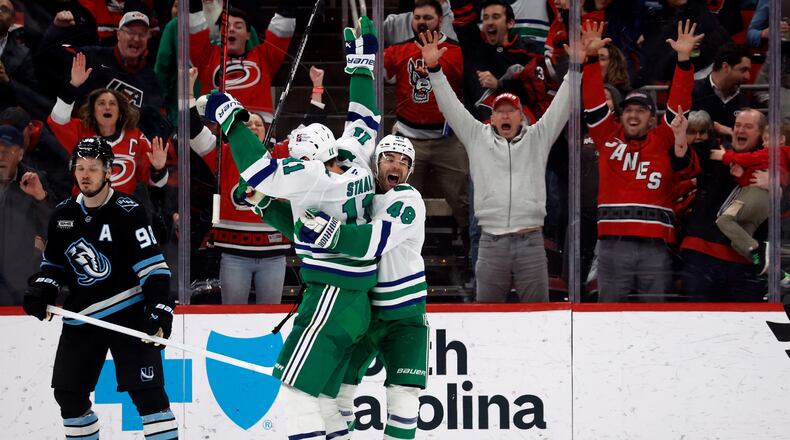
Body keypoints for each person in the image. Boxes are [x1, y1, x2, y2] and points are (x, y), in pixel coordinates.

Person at [202, 17, 381, 440]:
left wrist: (230, 118)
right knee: (328, 401)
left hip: (330, 295)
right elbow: (365, 117)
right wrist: (361, 69)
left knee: (297, 393)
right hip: (357, 299)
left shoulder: (311, 175)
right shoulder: (355, 152)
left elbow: (261, 171)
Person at [258, 135, 429, 439]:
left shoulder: (408, 199)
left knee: (403, 397)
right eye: (389, 158)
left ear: (410, 170)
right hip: (365, 308)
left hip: (404, 315)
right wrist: (265, 204)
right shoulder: (361, 194)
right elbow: (304, 229)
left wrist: (332, 233)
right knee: (333, 396)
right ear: (376, 163)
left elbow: (372, 241)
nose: (396, 166)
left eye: (404, 162)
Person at [21, 136, 178, 440]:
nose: (85, 174)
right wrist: (43, 289)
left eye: (93, 168)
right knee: (68, 397)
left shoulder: (129, 211)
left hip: (129, 314)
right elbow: (53, 267)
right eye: (80, 168)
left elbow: (154, 269)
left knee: (150, 399)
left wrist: (159, 308)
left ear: (109, 171)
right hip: (82, 317)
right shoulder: (63, 215)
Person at [418, 26, 582, 302]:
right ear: (491, 118)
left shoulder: (538, 137)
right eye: (500, 111)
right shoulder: (476, 136)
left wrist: (575, 68)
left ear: (521, 116)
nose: (505, 116)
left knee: (539, 317)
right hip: (490, 242)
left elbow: (562, 106)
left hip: (531, 242)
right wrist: (434, 70)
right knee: (487, 316)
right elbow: (450, 106)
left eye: (511, 111)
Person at [582, 20, 701, 302]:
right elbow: (593, 99)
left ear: (651, 118)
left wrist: (684, 61)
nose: (633, 115)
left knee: (654, 315)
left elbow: (679, 105)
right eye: (628, 110)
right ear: (620, 115)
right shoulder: (607, 136)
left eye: (641, 110)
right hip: (613, 243)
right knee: (609, 314)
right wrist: (590, 59)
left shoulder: (662, 139)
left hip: (655, 245)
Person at [385, 0, 469, 244]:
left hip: (448, 141)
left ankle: (470, 248)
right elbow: (373, 73)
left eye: (428, 17)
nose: (422, 22)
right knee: (402, 202)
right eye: (417, 17)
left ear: (440, 20)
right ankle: (405, 249)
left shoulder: (456, 52)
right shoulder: (398, 50)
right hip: (408, 141)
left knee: (463, 201)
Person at [674, 108, 768, 301]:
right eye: (738, 125)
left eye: (748, 126)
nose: (740, 130)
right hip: (701, 254)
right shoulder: (713, 151)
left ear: (761, 134)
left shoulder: (772, 162)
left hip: (747, 260)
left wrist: (777, 182)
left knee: (747, 319)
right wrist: (680, 137)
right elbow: (682, 161)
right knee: (698, 317)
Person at [48, 52, 169, 196]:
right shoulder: (82, 131)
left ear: (121, 112)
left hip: (121, 207)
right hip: (85, 206)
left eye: (112, 104)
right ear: (93, 111)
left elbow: (156, 183)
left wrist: (158, 168)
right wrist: (73, 85)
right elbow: (58, 119)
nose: (107, 107)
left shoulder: (136, 137)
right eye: (101, 103)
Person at [188, 0, 295, 121]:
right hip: (219, 128)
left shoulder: (264, 57)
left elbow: (281, 28)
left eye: (238, 26)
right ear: (220, 33)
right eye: (226, 26)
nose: (231, 29)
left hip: (257, 127)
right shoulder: (207, 57)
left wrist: (288, 6)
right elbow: (195, 26)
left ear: (248, 34)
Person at [40, 10, 164, 111]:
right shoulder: (92, 56)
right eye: (131, 32)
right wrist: (57, 29)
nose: (136, 39)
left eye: (142, 34)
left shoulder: (151, 81)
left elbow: (154, 122)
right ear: (118, 34)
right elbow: (48, 55)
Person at [709, 121, 790, 274]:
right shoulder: (777, 161)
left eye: (767, 139)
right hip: (763, 204)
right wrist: (741, 175)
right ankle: (770, 269)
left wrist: (725, 156)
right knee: (739, 242)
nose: (764, 144)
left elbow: (749, 158)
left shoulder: (776, 152)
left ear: (781, 139)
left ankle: (762, 248)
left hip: (754, 196)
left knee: (724, 220)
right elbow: (753, 178)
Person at [0, 125, 54, 305]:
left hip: (21, 281)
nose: (1, 157)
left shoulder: (34, 180)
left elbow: (54, 228)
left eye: (8, 151)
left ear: (20, 154)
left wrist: (40, 197)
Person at [691, 43, 752, 139]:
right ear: (725, 67)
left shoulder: (744, 100)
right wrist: (715, 126)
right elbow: (680, 122)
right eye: (743, 70)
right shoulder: (693, 91)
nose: (748, 77)